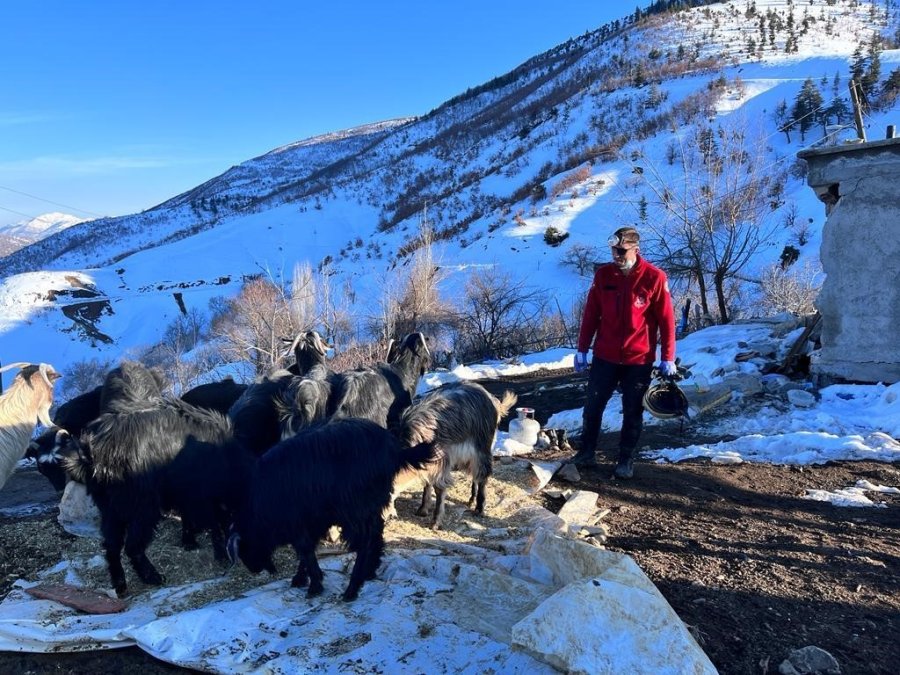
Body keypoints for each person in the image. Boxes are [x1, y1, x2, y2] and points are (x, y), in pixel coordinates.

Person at [569, 226, 676, 479]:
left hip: (638, 359)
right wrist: (582, 349)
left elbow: (666, 321)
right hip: (605, 355)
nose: (616, 255)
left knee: (632, 410)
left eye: (621, 251)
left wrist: (668, 357)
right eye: (614, 251)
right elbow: (591, 315)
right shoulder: (603, 275)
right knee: (593, 406)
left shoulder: (654, 277)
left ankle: (625, 459)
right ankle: (586, 453)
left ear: (635, 249)